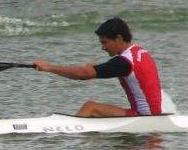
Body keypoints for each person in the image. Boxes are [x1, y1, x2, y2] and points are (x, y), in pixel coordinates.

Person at [32, 17, 164, 117]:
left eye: (105, 42)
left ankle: (72, 135)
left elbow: (84, 74)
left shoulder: (124, 62)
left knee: (91, 107)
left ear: (118, 38)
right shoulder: (141, 52)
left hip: (145, 116)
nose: (103, 47)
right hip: (152, 114)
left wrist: (48, 67)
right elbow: (102, 69)